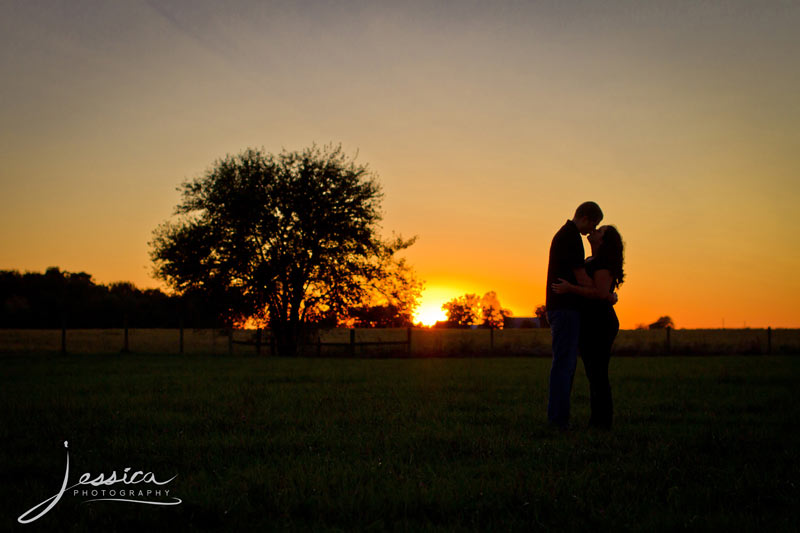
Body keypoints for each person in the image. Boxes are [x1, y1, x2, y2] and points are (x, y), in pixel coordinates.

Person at [552, 225, 624, 429]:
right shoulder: (589, 261)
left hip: (601, 322)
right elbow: (601, 292)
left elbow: (600, 293)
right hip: (589, 322)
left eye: (600, 230)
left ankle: (602, 422)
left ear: (604, 240)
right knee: (593, 372)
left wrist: (569, 288)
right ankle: (598, 420)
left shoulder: (603, 262)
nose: (594, 231)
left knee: (598, 372)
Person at [545, 201, 604, 429]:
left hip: (560, 308)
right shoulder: (570, 238)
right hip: (565, 308)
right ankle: (558, 420)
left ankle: (559, 418)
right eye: (594, 224)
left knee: (564, 363)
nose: (592, 230)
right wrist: (600, 291)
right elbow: (581, 276)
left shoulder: (565, 235)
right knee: (564, 364)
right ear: (586, 217)